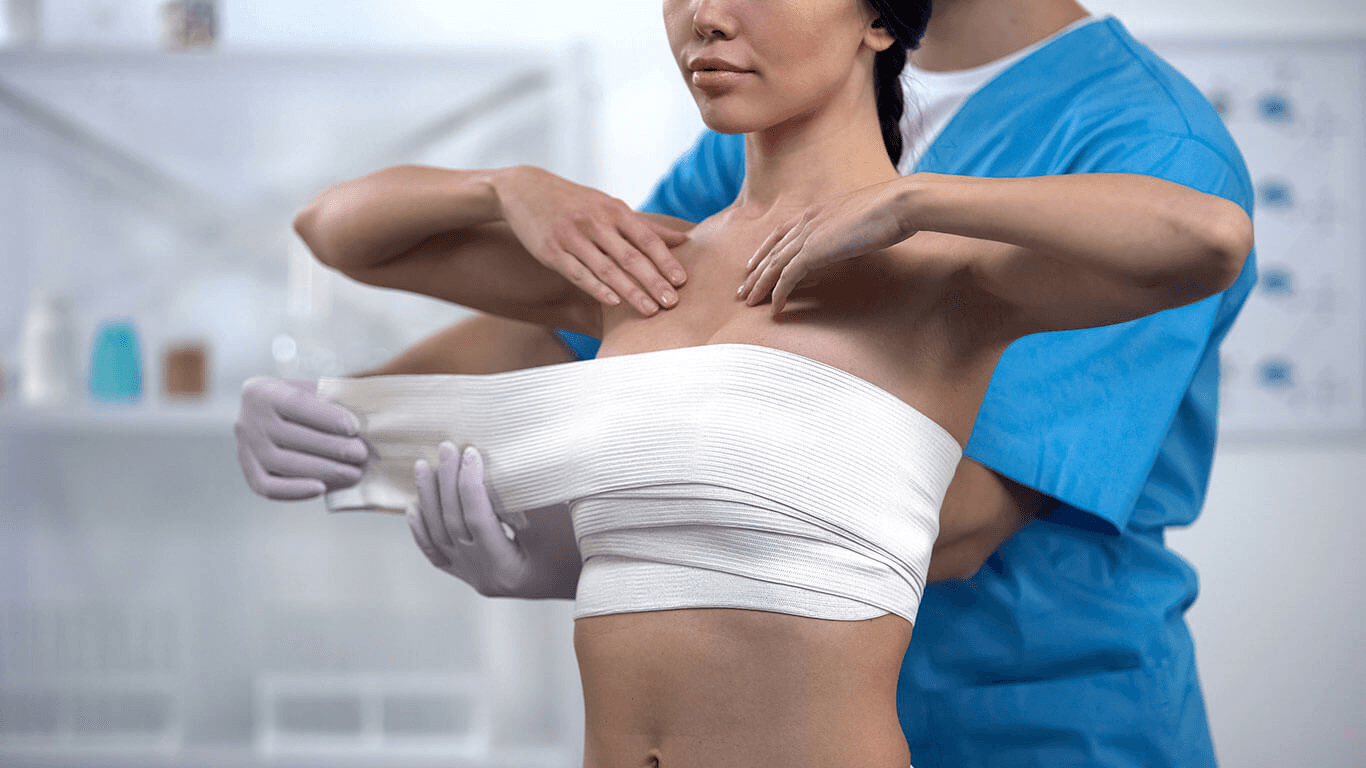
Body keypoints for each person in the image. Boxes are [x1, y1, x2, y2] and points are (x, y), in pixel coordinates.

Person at [235, 1, 1258, 766]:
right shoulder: (737, 151)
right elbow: (600, 340)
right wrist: (358, 414)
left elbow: (947, 514)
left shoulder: (1123, 152)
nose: (705, 15)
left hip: (1028, 719)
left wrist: (574, 546)